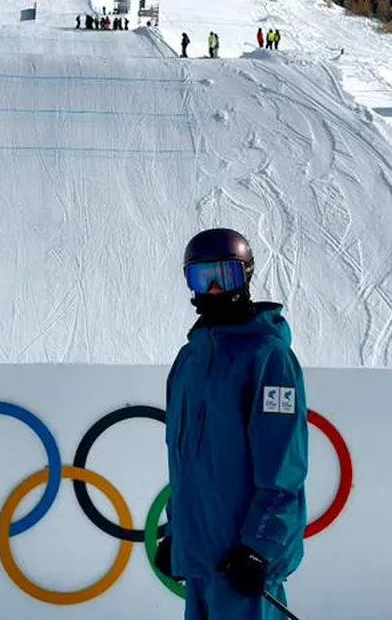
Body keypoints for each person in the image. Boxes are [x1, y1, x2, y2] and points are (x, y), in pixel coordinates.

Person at [155, 228, 309, 620]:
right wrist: (176, 531)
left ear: (246, 276)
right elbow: (186, 462)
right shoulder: (188, 360)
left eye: (224, 276)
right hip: (200, 562)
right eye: (200, 278)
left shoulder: (267, 358)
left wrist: (260, 546)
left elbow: (283, 467)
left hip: (242, 563)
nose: (213, 290)